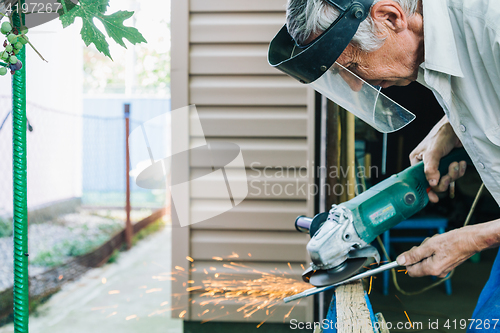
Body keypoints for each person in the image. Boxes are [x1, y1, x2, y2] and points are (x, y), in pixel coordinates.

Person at [283, 0, 500, 328]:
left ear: (390, 16)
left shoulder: (492, 26)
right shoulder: (425, 38)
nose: (357, 85)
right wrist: (450, 128)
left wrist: (473, 239)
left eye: (354, 67)